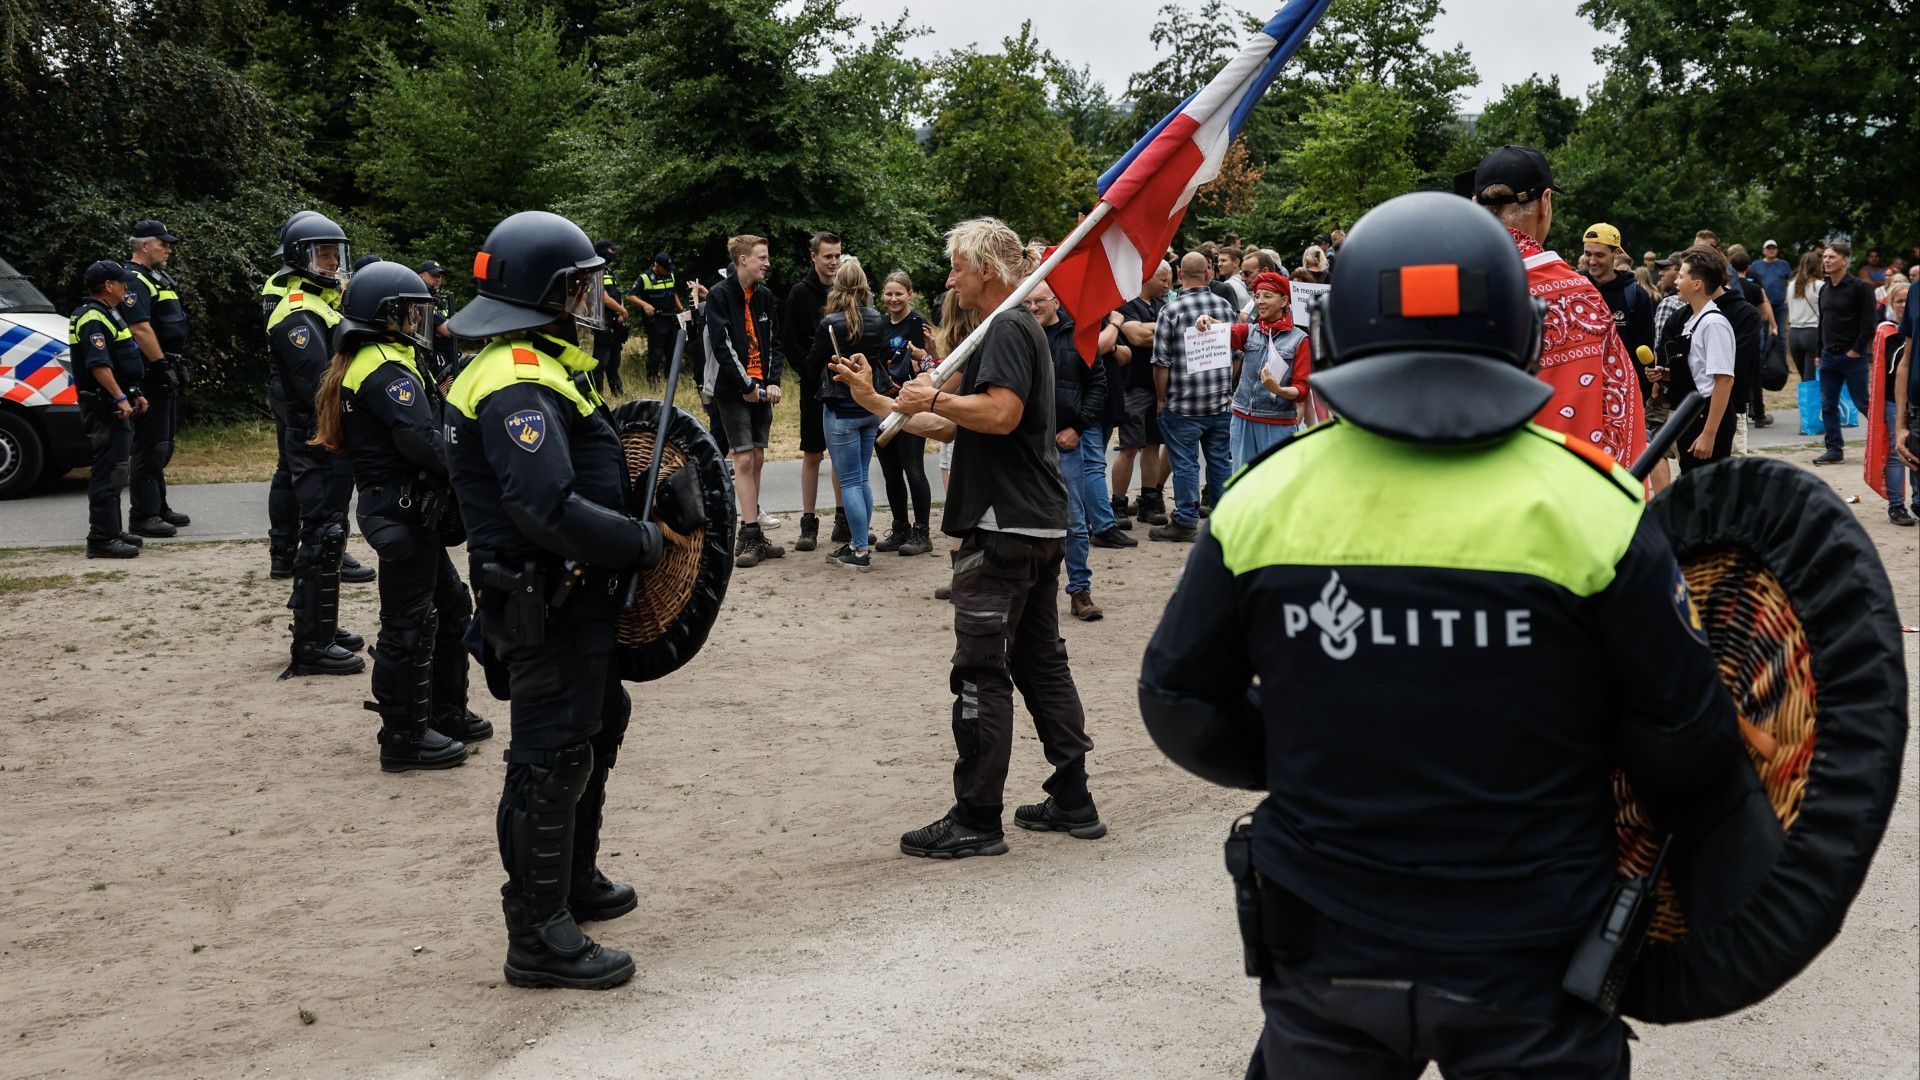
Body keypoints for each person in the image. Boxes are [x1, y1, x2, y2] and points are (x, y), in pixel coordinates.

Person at [1138, 190, 1744, 1078]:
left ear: (1337, 335)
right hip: (1533, 955)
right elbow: (1689, 737)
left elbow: (1177, 700)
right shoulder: (1592, 503)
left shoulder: (1264, 500)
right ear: (1522, 334)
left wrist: (1314, 749)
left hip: (1327, 947)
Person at [444, 210, 667, 992]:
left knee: (598, 723)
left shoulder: (538, 363)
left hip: (574, 597)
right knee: (549, 757)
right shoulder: (514, 381)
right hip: (546, 601)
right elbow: (547, 507)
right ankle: (536, 933)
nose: (593, 298)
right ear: (548, 292)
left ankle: (573, 882)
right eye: (581, 285)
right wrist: (637, 543)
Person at [884, 217, 1102, 858]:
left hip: (1001, 527)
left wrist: (940, 400)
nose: (949, 278)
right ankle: (1073, 797)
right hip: (1035, 524)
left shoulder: (1007, 324)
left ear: (986, 268)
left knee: (981, 672)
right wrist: (883, 401)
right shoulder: (1011, 326)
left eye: (957, 266)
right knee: (1041, 662)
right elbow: (956, 430)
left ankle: (976, 818)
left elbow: (1000, 414)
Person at [308, 260, 492, 770]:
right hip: (401, 509)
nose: (418, 319)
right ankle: (404, 737)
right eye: (411, 311)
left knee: (451, 607)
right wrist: (472, 465)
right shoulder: (385, 368)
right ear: (386, 313)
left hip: (408, 508)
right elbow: (420, 440)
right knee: (409, 622)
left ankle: (446, 711)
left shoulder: (378, 356)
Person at [1455, 144, 1645, 465]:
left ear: (1477, 205)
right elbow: (1618, 413)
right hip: (1555, 492)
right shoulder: (1579, 299)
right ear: (1545, 203)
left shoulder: (1444, 284)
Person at [266, 212, 368, 677]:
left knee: (332, 531)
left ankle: (323, 623)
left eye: (334, 253)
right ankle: (310, 641)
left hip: (330, 435)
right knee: (322, 534)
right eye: (321, 254)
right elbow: (318, 381)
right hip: (313, 436)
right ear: (298, 258)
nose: (330, 262)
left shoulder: (324, 302)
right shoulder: (296, 312)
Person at [1026, 279, 1111, 621]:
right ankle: (1029, 594)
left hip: (1066, 445)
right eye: (1028, 302)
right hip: (1025, 445)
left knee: (1074, 521)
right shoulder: (1018, 335)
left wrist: (1078, 427)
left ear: (1056, 302)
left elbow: (1098, 386)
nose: (1033, 308)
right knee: (1026, 521)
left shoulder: (1079, 336)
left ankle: (1079, 591)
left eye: (1040, 301)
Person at [702, 234, 785, 566]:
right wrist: (746, 384)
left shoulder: (764, 296)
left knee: (759, 456)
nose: (767, 263)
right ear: (743, 261)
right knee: (744, 459)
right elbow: (722, 347)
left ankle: (754, 532)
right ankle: (749, 534)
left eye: (766, 257)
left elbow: (774, 342)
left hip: (762, 390)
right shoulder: (720, 297)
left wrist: (773, 381)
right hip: (733, 391)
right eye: (762, 257)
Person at [810, 256, 893, 572]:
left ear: (837, 286)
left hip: (840, 409)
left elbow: (815, 361)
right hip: (869, 406)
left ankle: (859, 550)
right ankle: (860, 541)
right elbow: (881, 356)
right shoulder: (876, 318)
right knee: (862, 478)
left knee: (850, 482)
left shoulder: (830, 323)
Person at [1150, 252, 1236, 543]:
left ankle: (1186, 521)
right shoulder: (1224, 307)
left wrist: (1162, 399)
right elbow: (1237, 353)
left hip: (1183, 403)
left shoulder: (1171, 311)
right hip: (1220, 401)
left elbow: (1161, 362)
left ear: (1178, 275)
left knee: (1185, 462)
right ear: (1208, 273)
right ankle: (1225, 518)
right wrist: (1227, 384)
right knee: (1220, 460)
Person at [68, 261, 145, 559]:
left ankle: (112, 530)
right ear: (108, 286)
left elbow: (121, 359)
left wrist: (133, 392)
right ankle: (100, 538)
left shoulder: (106, 313)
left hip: (114, 400)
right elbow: (99, 364)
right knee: (108, 470)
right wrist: (118, 398)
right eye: (121, 282)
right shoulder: (92, 318)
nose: (126, 287)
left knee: (117, 467)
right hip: (103, 404)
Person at [1197, 271, 1309, 474]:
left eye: (1267, 296)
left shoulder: (1300, 339)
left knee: (1276, 484)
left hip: (1278, 423)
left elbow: (1301, 390)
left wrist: (1278, 389)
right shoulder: (1251, 331)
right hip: (1242, 419)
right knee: (1242, 481)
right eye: (1257, 296)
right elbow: (1226, 330)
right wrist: (1207, 320)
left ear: (1284, 300)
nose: (1260, 302)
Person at [122, 219, 192, 537]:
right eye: (163, 243)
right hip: (151, 372)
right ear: (144, 245)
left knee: (164, 444)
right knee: (151, 444)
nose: (168, 248)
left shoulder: (156, 277)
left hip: (165, 366)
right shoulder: (134, 279)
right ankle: (143, 514)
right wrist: (161, 364)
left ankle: (158, 505)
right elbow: (140, 327)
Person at [781, 232, 843, 551]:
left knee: (842, 453)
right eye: (827, 256)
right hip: (813, 385)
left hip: (844, 383)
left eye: (837, 256)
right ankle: (808, 523)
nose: (833, 262)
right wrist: (808, 370)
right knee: (813, 452)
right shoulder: (799, 293)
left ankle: (843, 519)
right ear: (814, 257)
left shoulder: (846, 289)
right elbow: (788, 340)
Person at [872, 270, 935, 557]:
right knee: (890, 471)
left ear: (910, 294)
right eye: (889, 293)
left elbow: (930, 364)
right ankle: (900, 528)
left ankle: (921, 532)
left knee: (913, 468)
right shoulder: (879, 323)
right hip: (883, 402)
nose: (894, 298)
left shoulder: (917, 324)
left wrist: (920, 363)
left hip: (910, 405)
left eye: (899, 293)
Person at [1669, 245, 1739, 470]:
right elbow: (1698, 369)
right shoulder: (1693, 321)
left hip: (1706, 418)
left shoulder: (1713, 324)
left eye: (1681, 276)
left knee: (1708, 493)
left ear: (1697, 285)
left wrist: (1709, 434)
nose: (1676, 282)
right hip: (1691, 415)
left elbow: (1724, 380)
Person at [1115, 262, 1173, 527]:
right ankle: (1117, 502)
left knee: (1153, 444)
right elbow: (1136, 337)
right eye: (1163, 279)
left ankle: (1149, 501)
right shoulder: (1125, 304)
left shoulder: (1163, 306)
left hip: (1158, 388)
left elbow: (1174, 334)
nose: (1168, 284)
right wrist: (1164, 332)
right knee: (1129, 447)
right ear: (1147, 277)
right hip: (1133, 387)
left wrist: (1150, 330)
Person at [1813, 241, 1880, 465]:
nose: (1826, 261)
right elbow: (1822, 322)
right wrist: (1819, 351)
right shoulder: (1824, 289)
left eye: (1832, 257)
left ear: (1845, 260)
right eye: (1825, 257)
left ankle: (1886, 443)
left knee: (1863, 403)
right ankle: (1834, 449)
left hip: (1852, 357)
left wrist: (1856, 350)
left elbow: (1869, 324)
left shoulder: (1861, 288)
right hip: (1829, 356)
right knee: (1827, 405)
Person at [1871, 281, 1914, 525]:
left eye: (1909, 301)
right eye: (1899, 301)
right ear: (1891, 304)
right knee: (1897, 453)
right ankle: (1897, 506)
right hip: (1891, 401)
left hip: (1916, 401)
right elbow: (1882, 373)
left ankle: (1918, 501)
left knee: (1917, 450)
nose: (1904, 305)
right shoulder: (1886, 332)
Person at [625, 252, 683, 383]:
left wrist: (681, 309)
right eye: (665, 269)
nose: (668, 271)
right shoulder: (644, 278)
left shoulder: (670, 275)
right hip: (656, 321)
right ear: (657, 266)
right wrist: (644, 304)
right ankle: (653, 381)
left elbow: (673, 293)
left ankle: (671, 381)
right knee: (656, 353)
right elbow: (630, 296)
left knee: (673, 352)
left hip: (671, 319)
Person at [587, 240, 627, 396]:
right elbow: (603, 298)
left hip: (615, 322)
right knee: (601, 361)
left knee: (614, 361)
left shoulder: (608, 271)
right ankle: (597, 394)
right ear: (603, 251)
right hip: (603, 322)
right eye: (612, 250)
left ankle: (617, 392)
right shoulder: (596, 271)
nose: (614, 253)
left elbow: (616, 294)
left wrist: (621, 312)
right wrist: (623, 311)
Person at [414, 260, 462, 387]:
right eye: (433, 275)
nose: (437, 279)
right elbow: (449, 330)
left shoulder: (438, 300)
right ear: (420, 276)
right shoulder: (421, 300)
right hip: (434, 363)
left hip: (448, 359)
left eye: (439, 276)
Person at [1786, 250, 1825, 382]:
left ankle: (1806, 402)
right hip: (1812, 332)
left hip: (1794, 333)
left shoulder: (1791, 285)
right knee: (1811, 376)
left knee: (1804, 377)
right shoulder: (1819, 285)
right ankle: (1811, 403)